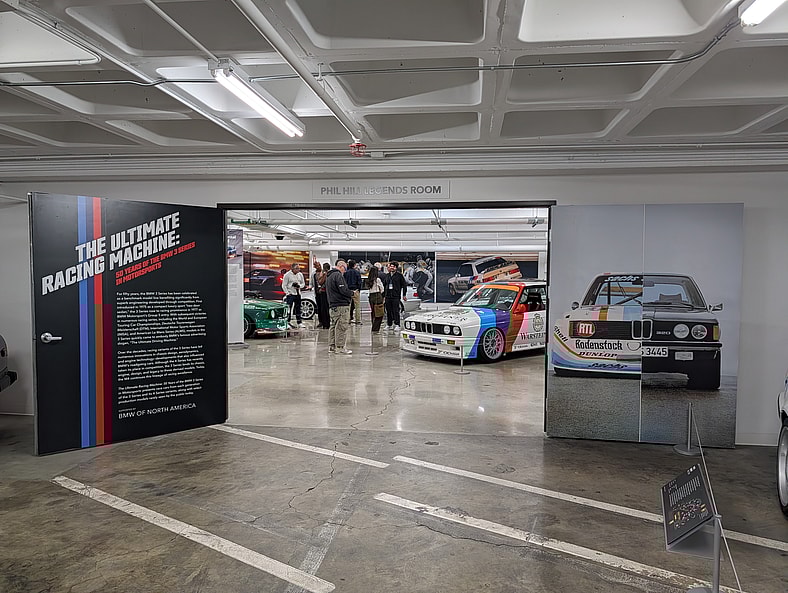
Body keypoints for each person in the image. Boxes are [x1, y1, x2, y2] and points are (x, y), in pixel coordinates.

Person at [325, 259, 354, 354]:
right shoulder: (337, 275)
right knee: (342, 326)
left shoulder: (329, 276)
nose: (345, 271)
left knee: (333, 326)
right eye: (344, 269)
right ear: (341, 266)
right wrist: (351, 293)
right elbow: (343, 290)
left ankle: (332, 346)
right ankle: (340, 347)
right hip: (341, 305)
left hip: (333, 306)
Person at [383, 261, 407, 331]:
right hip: (388, 296)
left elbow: (404, 285)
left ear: (396, 268)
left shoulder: (399, 276)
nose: (391, 268)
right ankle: (389, 324)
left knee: (396, 310)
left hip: (396, 296)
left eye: (393, 266)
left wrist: (404, 295)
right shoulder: (387, 276)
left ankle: (397, 324)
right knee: (388, 310)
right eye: (390, 266)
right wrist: (384, 296)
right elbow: (384, 285)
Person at [282, 262, 305, 328]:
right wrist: (287, 293)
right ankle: (288, 322)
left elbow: (303, 283)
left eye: (299, 268)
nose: (298, 270)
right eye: (297, 268)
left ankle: (299, 322)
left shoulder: (300, 274)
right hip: (290, 294)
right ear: (292, 268)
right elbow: (284, 285)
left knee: (298, 308)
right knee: (289, 308)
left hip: (298, 293)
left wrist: (299, 286)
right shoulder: (287, 275)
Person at [366, 265, 385, 332]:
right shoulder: (377, 280)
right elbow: (382, 289)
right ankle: (375, 328)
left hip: (371, 296)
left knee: (373, 312)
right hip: (377, 296)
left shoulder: (368, 280)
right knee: (379, 313)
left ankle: (373, 325)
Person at [344, 259, 363, 325]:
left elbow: (344, 282)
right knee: (357, 306)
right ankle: (358, 320)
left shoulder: (346, 273)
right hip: (355, 290)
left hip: (348, 291)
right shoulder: (357, 273)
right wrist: (358, 290)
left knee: (348, 306)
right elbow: (360, 282)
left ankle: (348, 319)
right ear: (354, 265)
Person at [313, 259, 330, 329]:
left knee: (325, 308)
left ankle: (326, 323)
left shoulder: (325, 274)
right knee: (320, 308)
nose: (318, 267)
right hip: (318, 293)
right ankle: (321, 321)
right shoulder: (314, 274)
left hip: (324, 292)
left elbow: (321, 282)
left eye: (319, 265)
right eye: (317, 266)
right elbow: (315, 283)